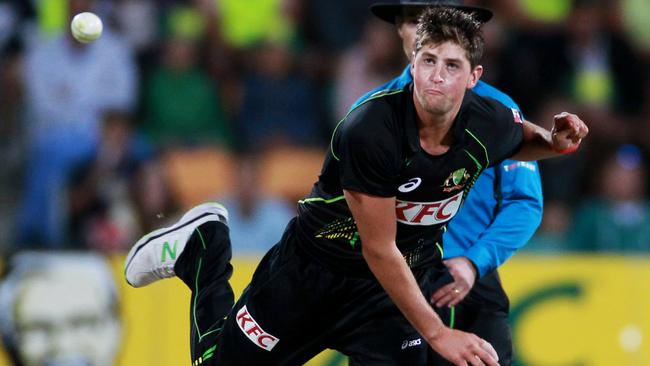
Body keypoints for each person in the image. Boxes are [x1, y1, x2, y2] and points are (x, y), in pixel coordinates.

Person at [124, 8, 587, 366]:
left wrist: (555, 141)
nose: (437, 77)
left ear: (474, 77)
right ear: (413, 62)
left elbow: (520, 140)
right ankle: (205, 247)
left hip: (389, 296)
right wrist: (439, 333)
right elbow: (378, 248)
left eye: (451, 65)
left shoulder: (490, 119)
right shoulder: (371, 128)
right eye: (428, 61)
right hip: (310, 277)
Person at [353, 1, 543, 364]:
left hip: (467, 284)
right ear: (400, 31)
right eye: (414, 21)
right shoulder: (368, 117)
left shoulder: (499, 113)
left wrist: (474, 262)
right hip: (389, 286)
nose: (427, 31)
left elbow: (525, 203)